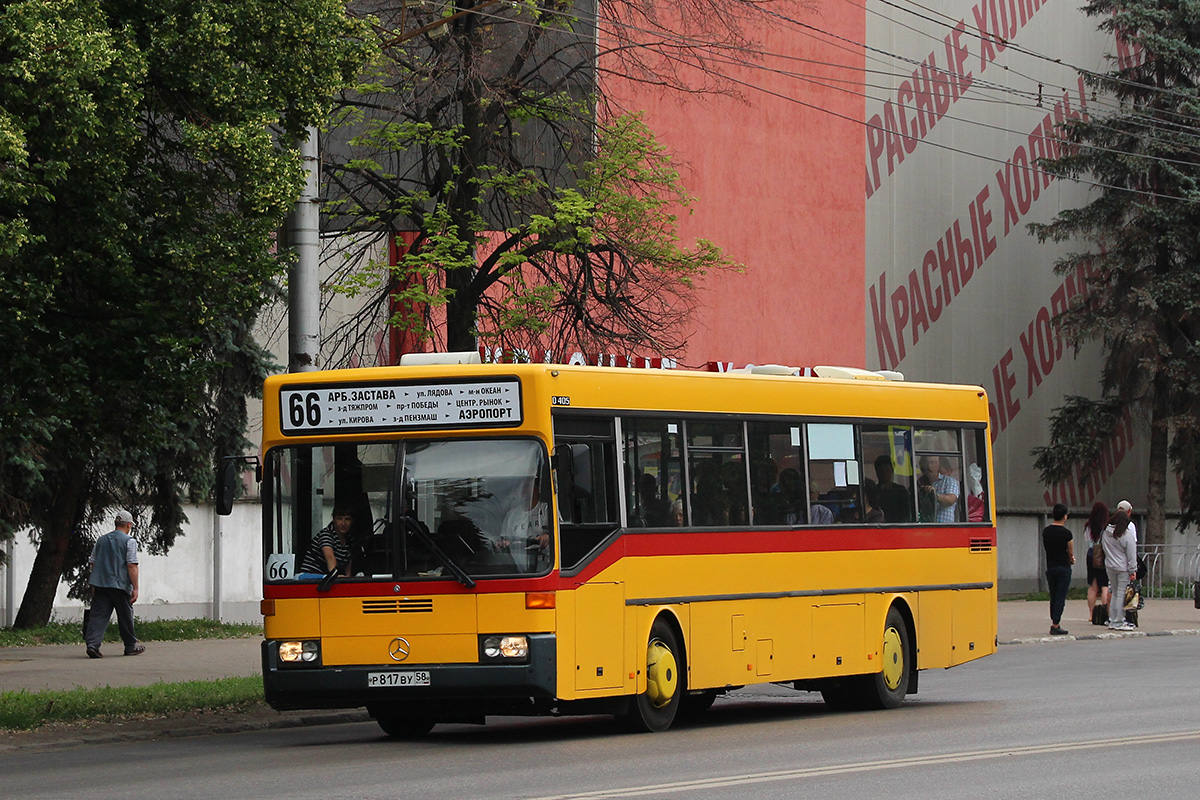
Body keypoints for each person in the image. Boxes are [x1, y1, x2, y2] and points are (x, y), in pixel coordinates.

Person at [84, 509, 145, 658]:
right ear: (129, 525)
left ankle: (92, 645)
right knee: (125, 616)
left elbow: (93, 562)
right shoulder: (129, 541)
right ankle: (130, 646)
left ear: (116, 523)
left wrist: (94, 583)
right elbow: (131, 565)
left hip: (100, 584)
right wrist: (135, 587)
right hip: (120, 585)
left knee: (98, 616)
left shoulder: (101, 540)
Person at [1101, 508, 1139, 630]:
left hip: (1110, 566)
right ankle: (1119, 620)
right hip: (1123, 568)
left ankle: (1112, 619)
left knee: (1115, 592)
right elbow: (1131, 554)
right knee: (1121, 593)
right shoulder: (1126, 535)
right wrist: (1133, 570)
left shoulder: (1106, 532)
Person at [1041, 503, 1074, 635]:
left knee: (1053, 595)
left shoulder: (1046, 531)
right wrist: (1072, 559)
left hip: (1051, 566)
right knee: (1061, 596)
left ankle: (1054, 620)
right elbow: (1070, 553)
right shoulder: (1067, 534)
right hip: (1063, 567)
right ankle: (1056, 623)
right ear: (1064, 517)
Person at [299, 507, 354, 577]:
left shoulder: (349, 540)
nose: (343, 523)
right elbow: (330, 558)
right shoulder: (326, 535)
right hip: (308, 577)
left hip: (326, 578)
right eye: (339, 519)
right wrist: (335, 576)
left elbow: (348, 565)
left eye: (347, 519)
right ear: (334, 520)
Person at [1082, 501, 1110, 624]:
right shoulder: (1106, 526)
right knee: (1105, 586)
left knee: (1093, 586)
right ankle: (1104, 613)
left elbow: (1087, 541)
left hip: (1091, 555)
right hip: (1103, 556)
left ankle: (1091, 614)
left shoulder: (1088, 525)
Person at [918, 455, 959, 522]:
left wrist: (934, 495)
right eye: (926, 463)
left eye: (932, 462)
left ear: (938, 464)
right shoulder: (918, 483)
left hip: (944, 529)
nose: (929, 466)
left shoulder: (948, 481)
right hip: (924, 528)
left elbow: (950, 500)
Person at [873, 455, 913, 522]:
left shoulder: (901, 491)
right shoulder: (873, 491)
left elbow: (906, 515)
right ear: (877, 472)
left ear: (892, 471)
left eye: (887, 470)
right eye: (881, 470)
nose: (884, 474)